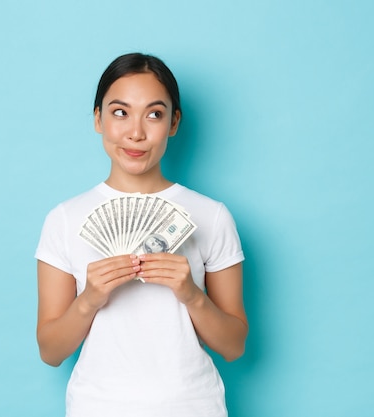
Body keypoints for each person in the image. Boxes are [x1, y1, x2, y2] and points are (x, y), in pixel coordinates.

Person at [35, 52, 247, 417]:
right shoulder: (64, 219)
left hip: (193, 406)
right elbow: (50, 352)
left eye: (154, 114)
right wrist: (89, 299)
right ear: (98, 119)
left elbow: (234, 346)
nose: (136, 132)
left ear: (174, 122)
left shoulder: (212, 215)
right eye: (120, 112)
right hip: (97, 407)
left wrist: (192, 295)